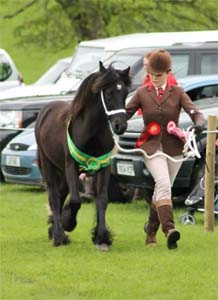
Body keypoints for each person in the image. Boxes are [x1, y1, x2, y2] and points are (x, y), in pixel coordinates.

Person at [125, 49, 205, 249]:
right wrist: (114, 120)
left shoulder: (177, 92)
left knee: (161, 190)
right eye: (151, 75)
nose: (154, 79)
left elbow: (195, 112)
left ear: (168, 72)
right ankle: (169, 229)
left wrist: (199, 123)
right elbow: (125, 113)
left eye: (158, 75)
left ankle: (150, 231)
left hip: (173, 147)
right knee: (163, 183)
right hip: (150, 146)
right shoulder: (142, 92)